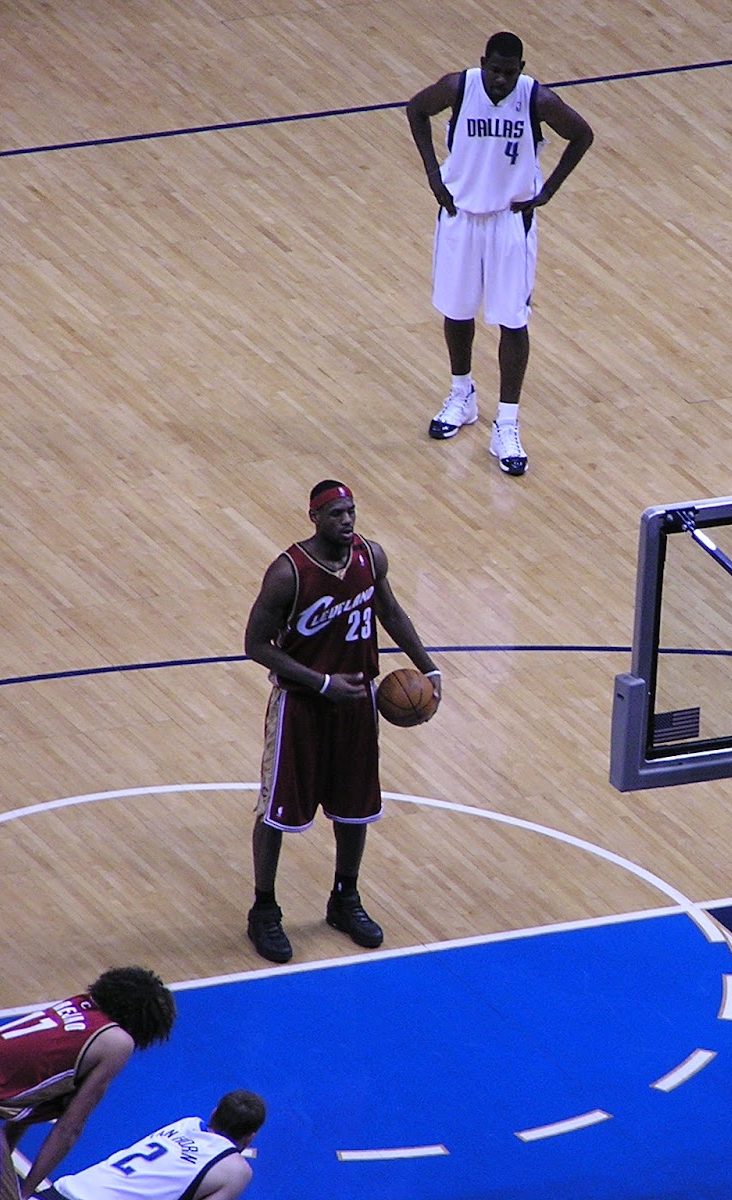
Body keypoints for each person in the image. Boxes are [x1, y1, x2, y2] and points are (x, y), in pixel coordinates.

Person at [244, 480, 441, 963]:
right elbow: (255, 645)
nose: (347, 521)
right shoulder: (288, 573)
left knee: (356, 808)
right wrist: (321, 681)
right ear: (314, 517)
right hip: (301, 707)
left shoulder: (370, 558)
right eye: (336, 514)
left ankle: (344, 898)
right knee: (277, 811)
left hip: (357, 705)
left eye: (351, 511)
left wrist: (428, 666)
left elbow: (390, 611)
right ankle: (264, 910)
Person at [405, 30, 595, 477]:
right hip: (461, 214)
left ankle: (506, 422)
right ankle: (462, 395)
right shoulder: (458, 86)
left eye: (510, 73)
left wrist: (547, 191)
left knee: (512, 320)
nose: (501, 81)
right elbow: (415, 110)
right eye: (495, 71)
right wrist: (434, 176)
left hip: (510, 221)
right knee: (457, 309)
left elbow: (582, 135)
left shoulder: (536, 99)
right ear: (483, 63)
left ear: (521, 70)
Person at [0, 965, 176, 1200]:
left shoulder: (75, 1005)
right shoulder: (118, 1042)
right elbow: (69, 1127)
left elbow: (26, 1103)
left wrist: (2, 1156)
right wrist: (26, 1191)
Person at [35, 1090, 266, 1200]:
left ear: (214, 1113)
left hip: (61, 1192)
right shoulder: (237, 1170)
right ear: (251, 1137)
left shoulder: (186, 1124)